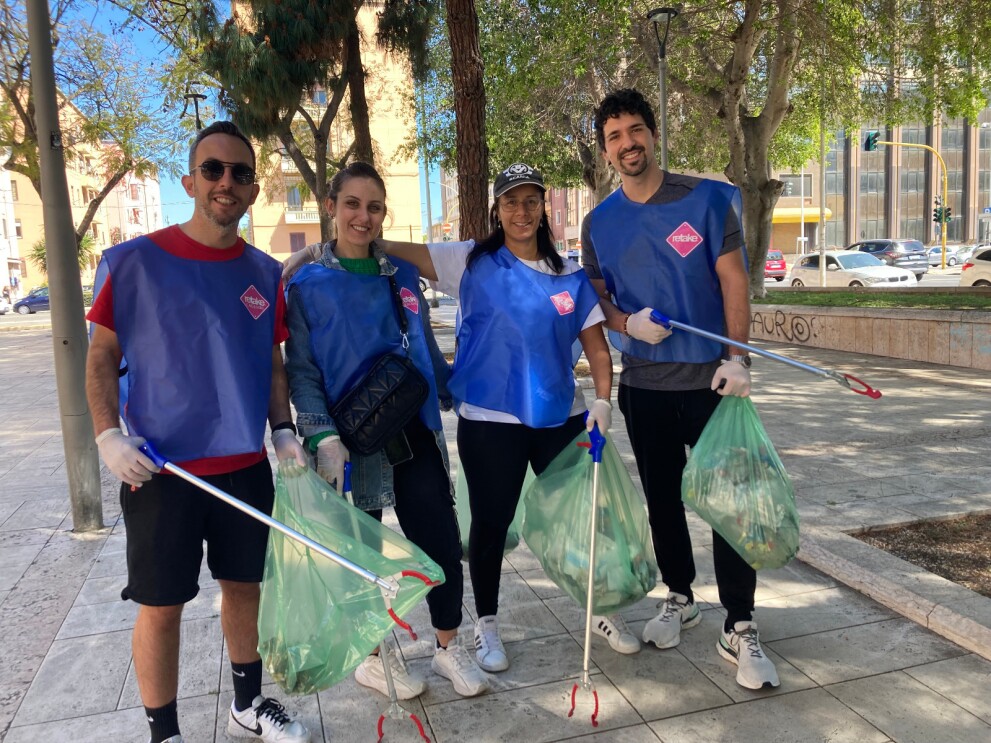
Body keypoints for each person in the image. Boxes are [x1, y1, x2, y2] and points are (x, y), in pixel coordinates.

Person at [86, 121, 312, 743]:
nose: (226, 182)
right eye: (213, 169)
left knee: (244, 588)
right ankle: (166, 733)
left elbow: (272, 363)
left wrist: (284, 429)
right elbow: (101, 355)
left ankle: (246, 704)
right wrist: (108, 435)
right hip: (163, 470)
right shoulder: (132, 263)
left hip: (244, 463)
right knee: (162, 605)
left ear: (254, 188)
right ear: (190, 180)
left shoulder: (266, 273)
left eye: (240, 172)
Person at [367, 163, 635, 671]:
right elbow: (390, 249)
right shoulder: (469, 260)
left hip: (562, 417)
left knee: (585, 520)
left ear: (542, 208)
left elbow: (598, 353)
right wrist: (321, 250)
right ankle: (486, 625)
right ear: (497, 209)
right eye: (511, 201)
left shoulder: (569, 277)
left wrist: (603, 401)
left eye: (531, 201)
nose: (521, 211)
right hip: (490, 421)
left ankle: (600, 607)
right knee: (491, 525)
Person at [581, 88, 780, 690]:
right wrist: (624, 324)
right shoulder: (598, 223)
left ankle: (739, 626)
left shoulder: (709, 198)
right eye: (615, 136)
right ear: (605, 150)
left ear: (653, 132)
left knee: (730, 503)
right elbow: (600, 303)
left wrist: (737, 359)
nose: (628, 143)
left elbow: (734, 283)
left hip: (714, 382)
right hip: (645, 387)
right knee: (663, 500)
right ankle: (681, 596)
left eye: (636, 130)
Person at [284, 161, 489, 701]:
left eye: (373, 207)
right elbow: (301, 370)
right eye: (352, 203)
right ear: (330, 206)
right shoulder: (306, 285)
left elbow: (420, 344)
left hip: (411, 426)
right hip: (347, 444)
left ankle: (448, 645)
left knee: (440, 541)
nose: (363, 216)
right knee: (362, 556)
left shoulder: (399, 275)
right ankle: (374, 659)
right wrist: (319, 434)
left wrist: (463, 388)